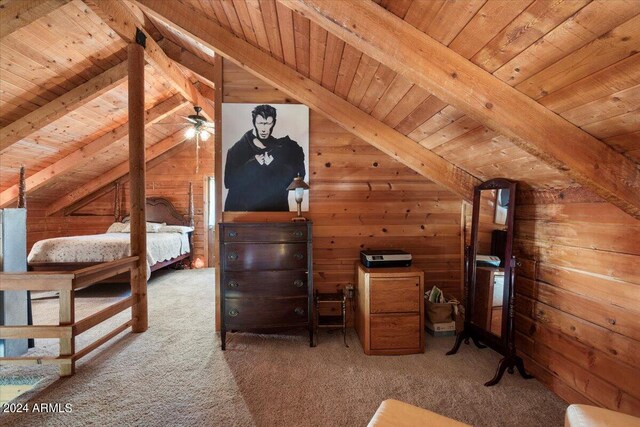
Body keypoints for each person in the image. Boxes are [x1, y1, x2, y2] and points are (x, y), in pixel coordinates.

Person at [224, 104, 306, 211]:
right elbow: (229, 182)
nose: (264, 129)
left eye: (268, 123)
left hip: (277, 215)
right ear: (254, 122)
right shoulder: (237, 150)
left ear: (273, 123)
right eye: (260, 123)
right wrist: (253, 164)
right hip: (245, 217)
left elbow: (299, 178)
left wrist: (274, 164)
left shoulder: (284, 148)